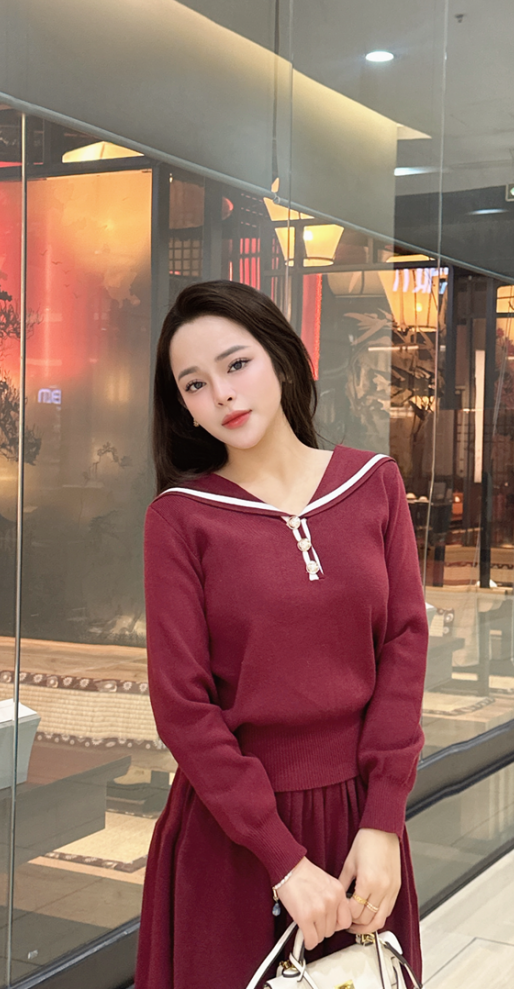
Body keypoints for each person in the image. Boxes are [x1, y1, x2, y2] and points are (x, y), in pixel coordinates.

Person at [135, 280, 428, 988]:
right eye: (195, 384)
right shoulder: (180, 519)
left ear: (283, 359)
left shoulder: (374, 483)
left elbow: (404, 647)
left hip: (361, 827)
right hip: (234, 837)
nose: (223, 394)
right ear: (184, 407)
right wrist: (283, 860)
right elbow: (183, 707)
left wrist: (384, 820)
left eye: (236, 364)